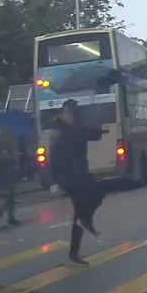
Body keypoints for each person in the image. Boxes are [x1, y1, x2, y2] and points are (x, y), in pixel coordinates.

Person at [48, 99, 105, 266]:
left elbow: (97, 134)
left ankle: (76, 247)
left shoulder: (79, 128)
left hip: (81, 173)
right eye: (67, 113)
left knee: (95, 197)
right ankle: (84, 223)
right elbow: (53, 159)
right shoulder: (59, 131)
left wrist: (97, 116)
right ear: (63, 113)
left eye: (72, 113)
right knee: (82, 207)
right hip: (67, 176)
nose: (69, 116)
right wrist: (54, 181)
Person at [0, 126, 20, 227]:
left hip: (4, 176)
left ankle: (9, 217)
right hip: (2, 177)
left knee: (9, 198)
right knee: (6, 198)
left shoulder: (1, 149)